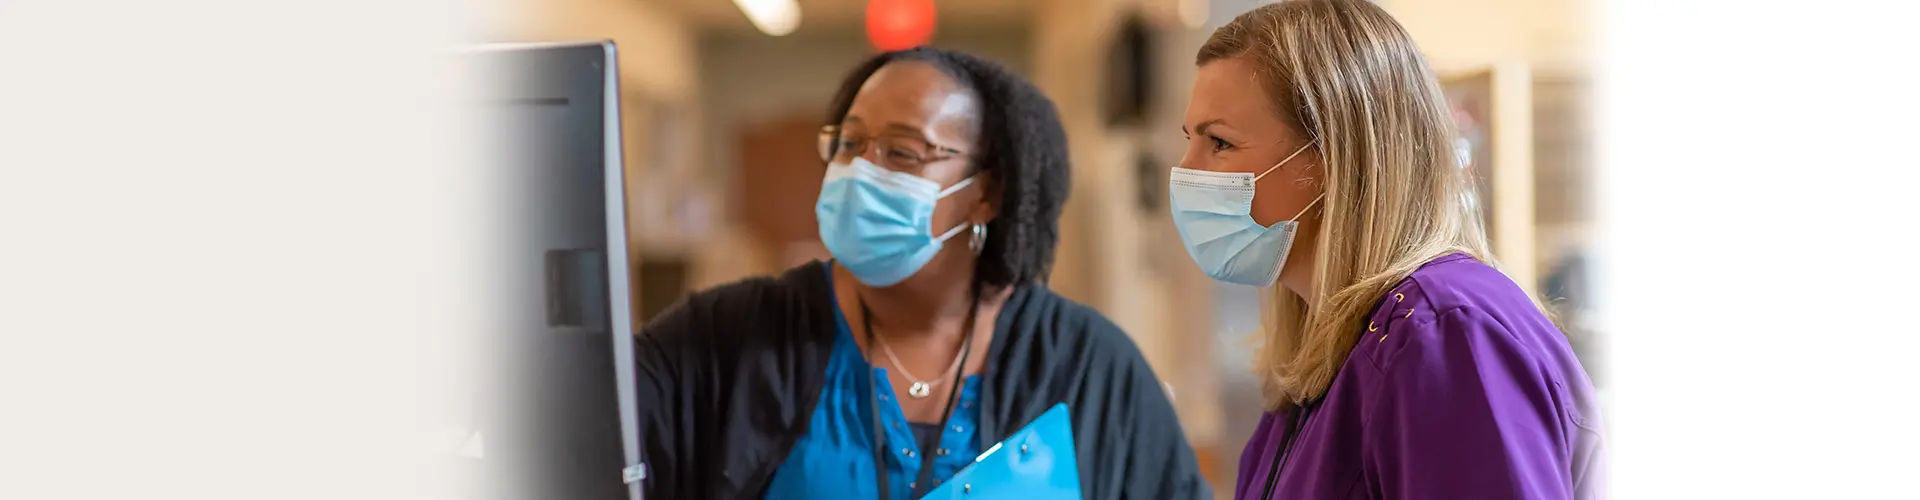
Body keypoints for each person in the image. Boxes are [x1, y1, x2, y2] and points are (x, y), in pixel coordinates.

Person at [633, 46, 1210, 500]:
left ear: (985, 194)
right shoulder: (725, 338)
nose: (860, 170)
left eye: (903, 153)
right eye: (849, 143)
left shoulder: (1085, 364)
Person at [1169, 1, 1605, 499]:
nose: (1187, 170)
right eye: (1190, 141)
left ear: (1332, 155)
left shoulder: (1445, 334)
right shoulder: (1321, 368)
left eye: (1219, 143)